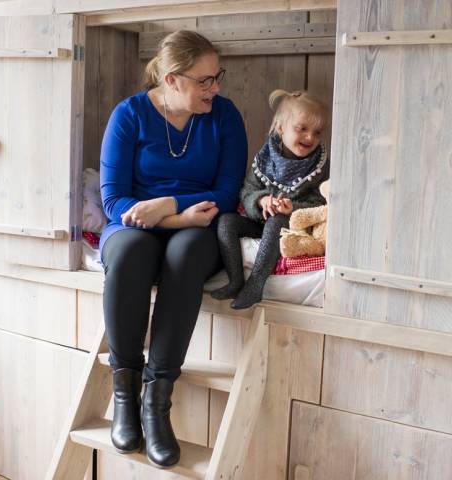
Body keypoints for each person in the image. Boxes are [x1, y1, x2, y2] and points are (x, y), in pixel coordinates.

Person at [99, 30, 247, 467]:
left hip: (199, 222)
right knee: (129, 255)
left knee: (183, 256)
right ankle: (125, 395)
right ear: (171, 80)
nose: (215, 88)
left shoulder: (224, 116)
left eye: (217, 77)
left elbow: (226, 191)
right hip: (135, 223)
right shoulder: (129, 116)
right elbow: (113, 199)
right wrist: (173, 216)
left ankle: (156, 404)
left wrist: (172, 206)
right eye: (204, 80)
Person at [211, 90, 329, 309]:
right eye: (302, 129)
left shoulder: (320, 167)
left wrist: (293, 208)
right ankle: (236, 280)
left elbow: (322, 205)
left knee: (276, 222)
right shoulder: (265, 159)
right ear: (281, 128)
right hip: (260, 220)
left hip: (293, 226)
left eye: (317, 132)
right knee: (226, 221)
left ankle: (256, 284)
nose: (310, 137)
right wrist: (262, 200)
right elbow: (247, 191)